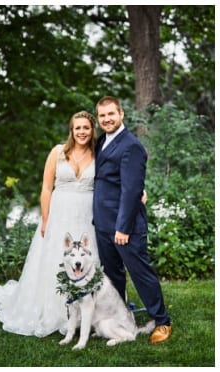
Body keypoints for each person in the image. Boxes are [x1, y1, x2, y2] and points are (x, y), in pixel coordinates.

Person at [0, 111, 99, 337]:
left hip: (87, 215)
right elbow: (47, 188)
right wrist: (46, 219)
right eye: (78, 128)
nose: (82, 132)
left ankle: (89, 313)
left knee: (86, 259)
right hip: (59, 213)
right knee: (54, 260)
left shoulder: (99, 154)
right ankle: (55, 311)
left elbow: (116, 180)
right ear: (71, 130)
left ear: (92, 130)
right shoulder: (58, 152)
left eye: (86, 127)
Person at [92, 96, 172, 344]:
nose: (106, 119)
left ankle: (162, 321)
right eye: (102, 116)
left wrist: (123, 228)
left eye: (111, 114)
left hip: (124, 226)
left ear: (121, 114)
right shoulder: (101, 142)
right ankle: (120, 316)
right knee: (113, 275)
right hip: (103, 223)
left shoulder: (131, 145)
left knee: (140, 273)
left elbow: (130, 190)